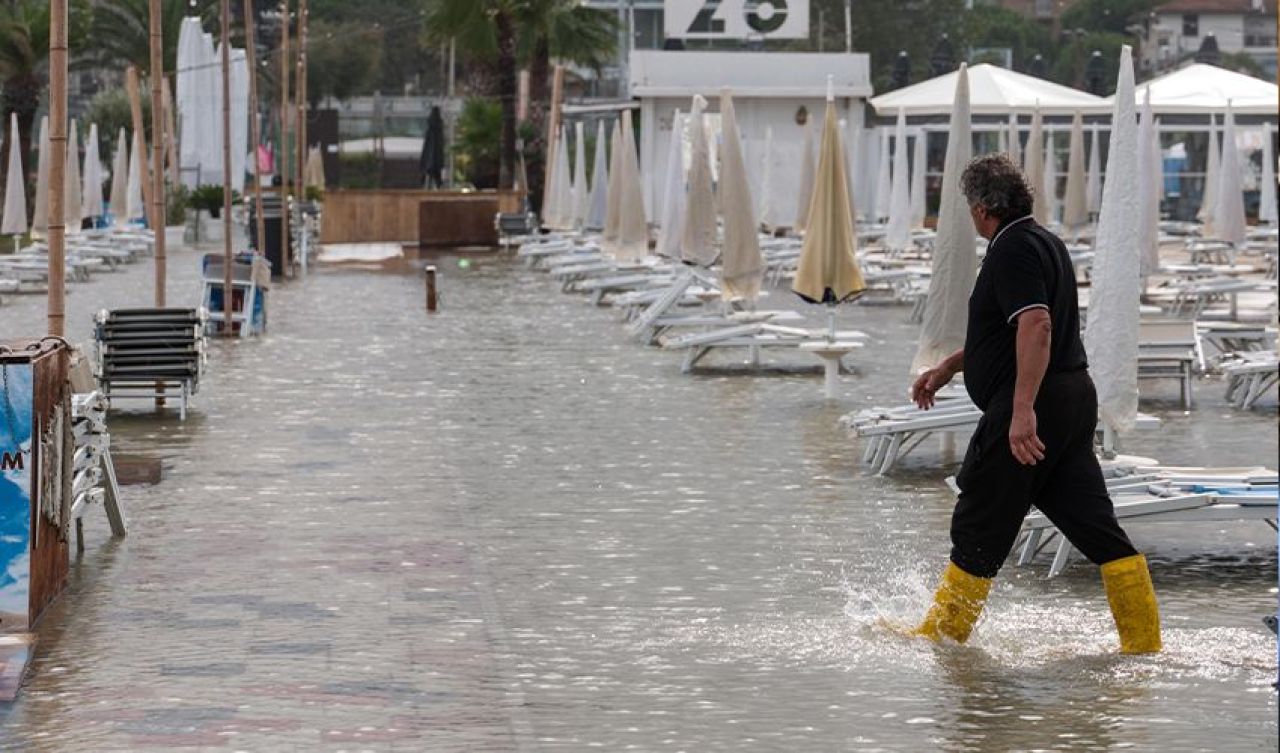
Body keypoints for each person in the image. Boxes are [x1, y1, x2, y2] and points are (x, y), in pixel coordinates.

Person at [908, 154, 1160, 654]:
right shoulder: (1045, 242)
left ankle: (943, 643)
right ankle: (1144, 644)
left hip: (1036, 405)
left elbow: (1038, 326)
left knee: (978, 521)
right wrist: (949, 368)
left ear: (982, 208)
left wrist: (1022, 411)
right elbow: (1010, 334)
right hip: (1070, 398)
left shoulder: (1012, 250)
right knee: (1095, 526)